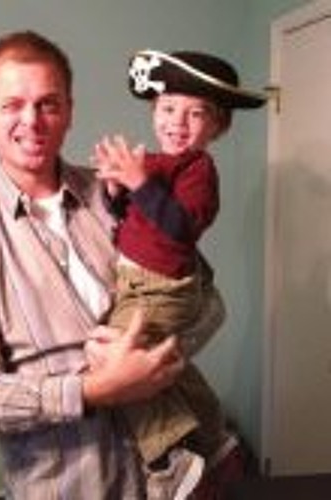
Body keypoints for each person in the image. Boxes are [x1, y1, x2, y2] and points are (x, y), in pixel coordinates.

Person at [0, 30, 242, 500]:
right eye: (12, 105)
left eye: (48, 104)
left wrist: (155, 359)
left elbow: (208, 303)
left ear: (69, 111)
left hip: (173, 488)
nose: (31, 120)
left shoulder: (119, 191)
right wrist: (94, 389)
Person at [90, 48, 266, 492]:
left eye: (196, 113)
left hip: (161, 287)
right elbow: (134, 218)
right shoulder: (152, 162)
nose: (178, 122)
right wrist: (115, 190)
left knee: (116, 356)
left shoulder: (198, 169)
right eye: (168, 108)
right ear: (154, 111)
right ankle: (217, 442)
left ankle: (170, 458)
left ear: (218, 126)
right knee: (166, 363)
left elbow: (181, 228)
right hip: (137, 281)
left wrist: (139, 183)